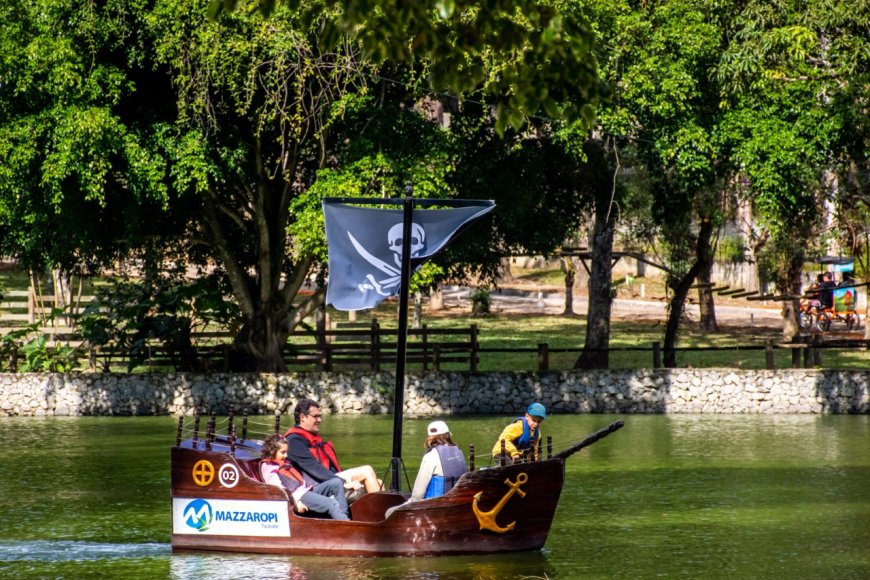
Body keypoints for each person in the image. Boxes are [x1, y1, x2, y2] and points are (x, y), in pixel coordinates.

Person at [284, 399, 383, 501]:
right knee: (367, 470)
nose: (319, 420)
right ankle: (380, 513)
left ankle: (383, 513)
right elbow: (315, 469)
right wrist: (344, 482)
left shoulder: (312, 437)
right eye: (315, 416)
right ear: (302, 417)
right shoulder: (294, 441)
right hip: (317, 485)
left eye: (320, 416)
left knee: (378, 482)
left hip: (328, 478)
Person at [384, 420, 468, 519]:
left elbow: (418, 494)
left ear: (430, 439)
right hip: (456, 506)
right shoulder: (459, 452)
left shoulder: (431, 455)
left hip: (432, 508)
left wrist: (409, 503)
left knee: (389, 512)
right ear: (448, 435)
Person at [258, 433, 349, 520]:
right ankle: (346, 526)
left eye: (286, 452)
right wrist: (296, 502)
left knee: (336, 483)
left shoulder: (285, 462)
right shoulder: (268, 468)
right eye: (283, 452)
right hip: (299, 496)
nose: (286, 455)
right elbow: (279, 490)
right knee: (331, 504)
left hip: (307, 490)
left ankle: (343, 519)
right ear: (272, 451)